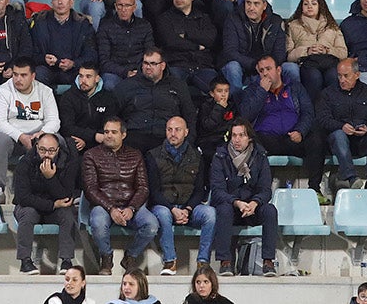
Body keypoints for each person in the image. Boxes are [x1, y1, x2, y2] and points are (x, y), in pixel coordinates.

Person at [239, 55, 328, 195]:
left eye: (268, 69)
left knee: (316, 136)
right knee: (251, 139)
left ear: (278, 70)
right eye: (261, 71)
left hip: (293, 138)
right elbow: (245, 116)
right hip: (267, 141)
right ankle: (258, 192)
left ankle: (315, 190)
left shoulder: (295, 87)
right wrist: (262, 91)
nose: (265, 73)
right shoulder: (252, 91)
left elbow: (308, 112)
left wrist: (300, 131)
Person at [83, 116, 156, 275]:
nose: (109, 135)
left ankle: (130, 256)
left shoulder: (135, 155)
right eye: (106, 132)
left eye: (114, 132)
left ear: (123, 135)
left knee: (151, 224)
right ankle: (106, 258)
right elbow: (90, 189)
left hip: (131, 204)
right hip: (103, 205)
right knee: (98, 221)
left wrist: (132, 207)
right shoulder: (91, 155)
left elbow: (143, 187)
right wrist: (111, 209)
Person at [208, 119, 279, 277]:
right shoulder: (220, 156)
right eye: (234, 135)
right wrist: (237, 202)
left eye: (241, 135)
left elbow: (266, 189)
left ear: (249, 138)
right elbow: (217, 190)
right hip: (232, 207)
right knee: (224, 210)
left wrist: (254, 203)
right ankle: (225, 262)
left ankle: (268, 262)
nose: (237, 139)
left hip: (252, 207)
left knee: (270, 210)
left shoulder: (260, 156)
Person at [146, 116, 216, 276]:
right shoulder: (153, 155)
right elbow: (154, 191)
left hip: (189, 207)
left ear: (186, 132)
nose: (173, 133)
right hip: (164, 206)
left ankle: (203, 263)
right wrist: (172, 210)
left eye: (177, 129)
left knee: (210, 213)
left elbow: (200, 190)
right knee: (163, 214)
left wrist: (188, 209)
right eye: (169, 129)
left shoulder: (197, 156)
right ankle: (170, 261)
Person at [12, 131, 81, 275]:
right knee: (28, 213)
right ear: (36, 147)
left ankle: (66, 261)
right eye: (42, 150)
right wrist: (52, 205)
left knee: (67, 214)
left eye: (51, 150)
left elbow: (66, 197)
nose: (46, 154)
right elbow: (23, 198)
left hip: (55, 208)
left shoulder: (67, 163)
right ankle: (25, 261)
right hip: (30, 206)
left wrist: (50, 178)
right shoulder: (25, 162)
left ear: (58, 150)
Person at [315, 57, 367, 193]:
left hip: (362, 140)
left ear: (357, 75)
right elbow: (323, 119)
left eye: (346, 76)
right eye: (339, 76)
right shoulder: (327, 94)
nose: (342, 80)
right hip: (338, 142)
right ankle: (351, 178)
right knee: (338, 134)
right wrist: (341, 126)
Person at [115, 50, 195, 154]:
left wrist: (190, 142)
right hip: (134, 136)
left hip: (166, 138)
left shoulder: (178, 86)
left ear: (162, 65)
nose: (148, 67)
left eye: (153, 64)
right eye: (145, 63)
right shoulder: (126, 86)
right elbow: (113, 115)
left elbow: (189, 115)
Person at [153, 0, 218, 94]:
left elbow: (210, 39)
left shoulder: (203, 17)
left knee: (218, 91)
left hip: (202, 65)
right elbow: (171, 42)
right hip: (177, 65)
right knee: (173, 92)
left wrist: (187, 34)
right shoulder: (164, 18)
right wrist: (197, 46)